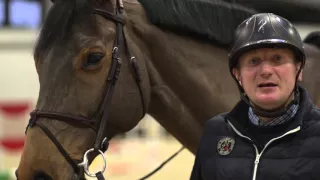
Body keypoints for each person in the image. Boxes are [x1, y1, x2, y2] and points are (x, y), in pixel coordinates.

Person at [190, 13, 320, 180]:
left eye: (277, 58)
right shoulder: (214, 133)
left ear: (299, 69)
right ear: (238, 75)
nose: (266, 71)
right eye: (253, 61)